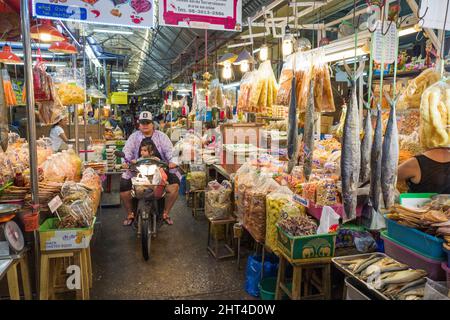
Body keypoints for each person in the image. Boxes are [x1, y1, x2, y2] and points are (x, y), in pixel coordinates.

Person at [120, 111, 179, 226]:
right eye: (143, 123)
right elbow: (126, 152)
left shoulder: (162, 137)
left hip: (159, 170)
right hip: (138, 170)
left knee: (175, 185)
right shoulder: (133, 137)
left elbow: (170, 152)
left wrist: (173, 162)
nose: (145, 125)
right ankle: (130, 214)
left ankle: (165, 213)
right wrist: (126, 162)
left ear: (153, 124)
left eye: (148, 122)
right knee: (123, 187)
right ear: (139, 125)